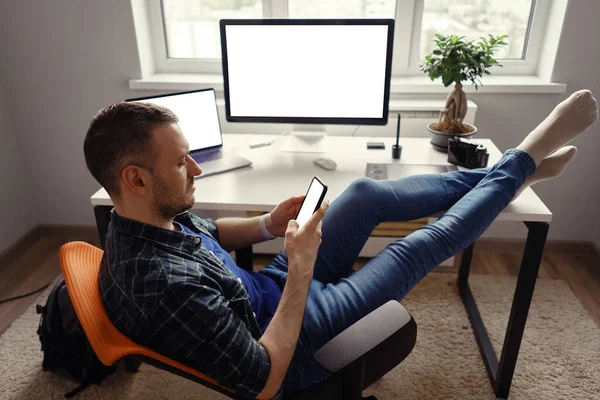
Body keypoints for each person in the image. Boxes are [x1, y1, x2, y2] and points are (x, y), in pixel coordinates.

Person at [83, 90, 597, 399]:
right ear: (136, 179)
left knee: (365, 193)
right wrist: (302, 267)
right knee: (414, 249)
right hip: (292, 336)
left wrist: (267, 223)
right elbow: (264, 382)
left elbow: (210, 234)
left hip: (270, 291)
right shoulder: (161, 287)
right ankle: (523, 160)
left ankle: (511, 174)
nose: (196, 169)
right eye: (181, 163)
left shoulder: (145, 220)